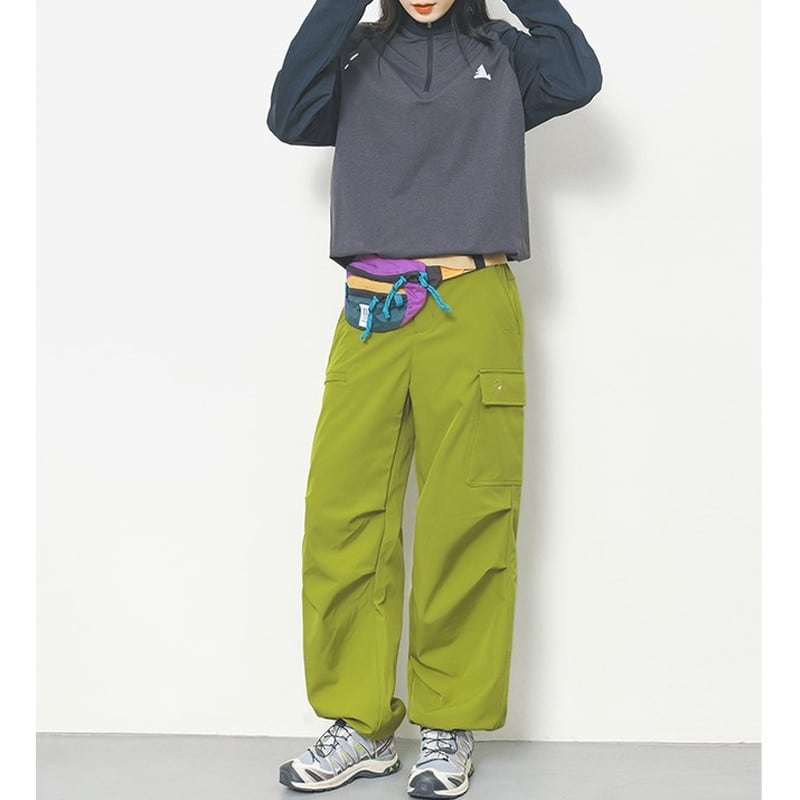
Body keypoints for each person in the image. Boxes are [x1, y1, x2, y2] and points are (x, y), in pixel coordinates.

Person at [266, 0, 601, 796]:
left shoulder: (505, 57)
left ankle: (447, 723)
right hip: (370, 308)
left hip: (472, 300)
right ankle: (361, 723)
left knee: (467, 517)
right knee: (344, 514)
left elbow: (578, 76)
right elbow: (289, 115)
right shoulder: (352, 55)